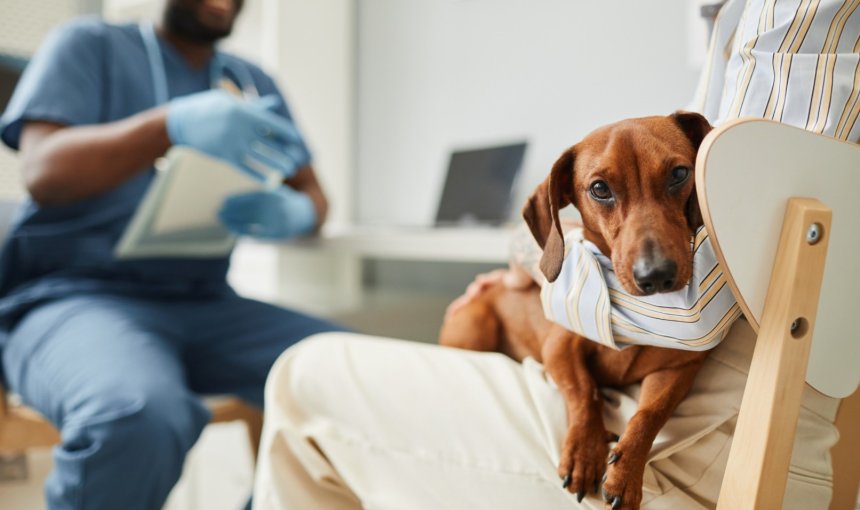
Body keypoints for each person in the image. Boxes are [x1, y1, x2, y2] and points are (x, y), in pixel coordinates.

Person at [252, 0, 858, 508]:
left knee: (300, 376)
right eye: (602, 194)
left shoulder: (792, 27)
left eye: (677, 180)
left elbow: (694, 302)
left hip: (708, 445)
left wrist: (536, 267)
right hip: (694, 418)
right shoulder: (740, 38)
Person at [0, 0, 343, 508]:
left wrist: (293, 212)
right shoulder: (89, 45)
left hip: (205, 301)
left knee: (362, 380)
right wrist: (168, 125)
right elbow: (43, 173)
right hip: (74, 298)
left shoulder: (250, 82)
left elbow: (315, 196)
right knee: (136, 416)